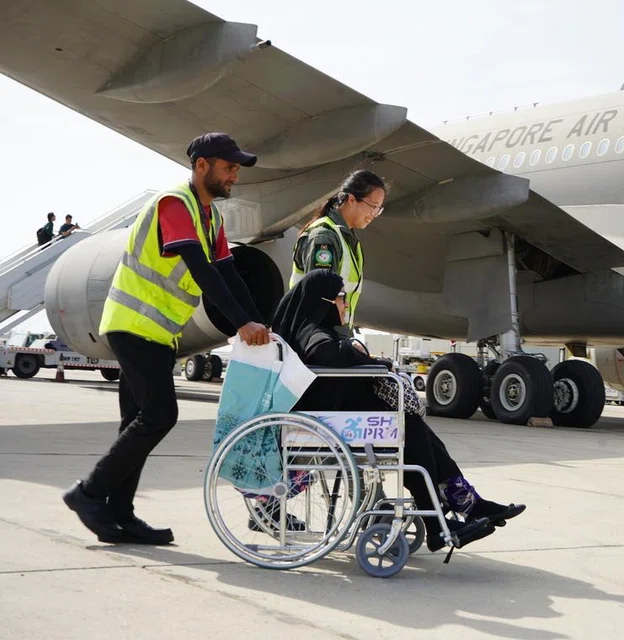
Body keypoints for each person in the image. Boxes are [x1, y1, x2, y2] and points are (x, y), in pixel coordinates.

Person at [62, 132, 271, 545]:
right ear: (201, 166)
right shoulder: (175, 204)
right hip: (134, 325)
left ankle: (120, 515)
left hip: (156, 333)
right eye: (228, 167)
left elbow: (229, 273)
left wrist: (261, 323)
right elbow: (202, 269)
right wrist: (241, 325)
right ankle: (87, 494)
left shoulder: (211, 218)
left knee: (134, 423)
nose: (234, 176)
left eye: (235, 169)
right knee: (160, 415)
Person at [274, 270, 525, 553]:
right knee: (413, 437)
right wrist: (367, 358)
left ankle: (468, 505)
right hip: (332, 425)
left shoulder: (315, 330)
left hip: (347, 419)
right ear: (327, 301)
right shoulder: (312, 332)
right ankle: (440, 523)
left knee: (422, 436)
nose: (346, 304)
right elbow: (329, 354)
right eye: (342, 299)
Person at [288, 169, 387, 332]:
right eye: (373, 207)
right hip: (314, 337)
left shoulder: (346, 238)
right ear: (352, 199)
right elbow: (321, 300)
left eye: (378, 209)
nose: (373, 215)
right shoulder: (324, 237)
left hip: (329, 336)